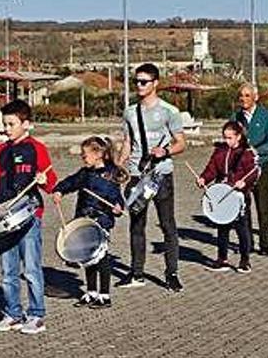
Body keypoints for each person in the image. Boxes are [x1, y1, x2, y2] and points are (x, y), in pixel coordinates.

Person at [0, 99, 57, 335]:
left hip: (30, 215)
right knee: (8, 270)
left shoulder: (37, 148)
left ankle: (36, 315)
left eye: (11, 124)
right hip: (5, 215)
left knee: (31, 269)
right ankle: (13, 313)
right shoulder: (0, 151)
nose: (7, 129)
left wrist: (45, 181)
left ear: (26, 124)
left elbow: (51, 182)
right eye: (5, 124)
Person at [118, 63, 187, 292]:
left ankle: (172, 274)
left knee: (167, 225)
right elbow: (128, 143)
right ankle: (136, 273)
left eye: (144, 81)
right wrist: (118, 166)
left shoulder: (169, 111)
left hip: (161, 175)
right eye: (136, 81)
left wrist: (165, 151)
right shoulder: (130, 112)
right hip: (137, 176)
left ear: (155, 83)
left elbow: (181, 143)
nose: (139, 85)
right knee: (137, 225)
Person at [52, 136, 124, 309]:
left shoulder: (112, 174)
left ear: (98, 154)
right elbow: (70, 182)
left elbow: (117, 197)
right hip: (84, 220)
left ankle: (104, 295)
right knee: (87, 256)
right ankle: (91, 291)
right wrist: (59, 190)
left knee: (101, 257)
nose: (82, 158)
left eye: (85, 155)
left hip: (102, 221)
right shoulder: (85, 174)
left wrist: (118, 206)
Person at [196, 121, 257, 273]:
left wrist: (245, 182)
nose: (227, 141)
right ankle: (222, 259)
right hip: (222, 193)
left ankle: (244, 260)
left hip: (239, 195)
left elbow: (253, 172)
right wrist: (204, 178)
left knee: (242, 230)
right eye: (225, 137)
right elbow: (212, 169)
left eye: (230, 138)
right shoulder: (220, 152)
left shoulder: (247, 153)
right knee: (222, 228)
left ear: (239, 136)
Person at [232, 82, 268, 256]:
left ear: (255, 97)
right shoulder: (236, 116)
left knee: (263, 206)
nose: (243, 99)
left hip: (261, 165)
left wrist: (256, 152)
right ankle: (247, 243)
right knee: (244, 206)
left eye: (247, 95)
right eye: (241, 96)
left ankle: (265, 244)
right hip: (241, 169)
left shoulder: (266, 115)